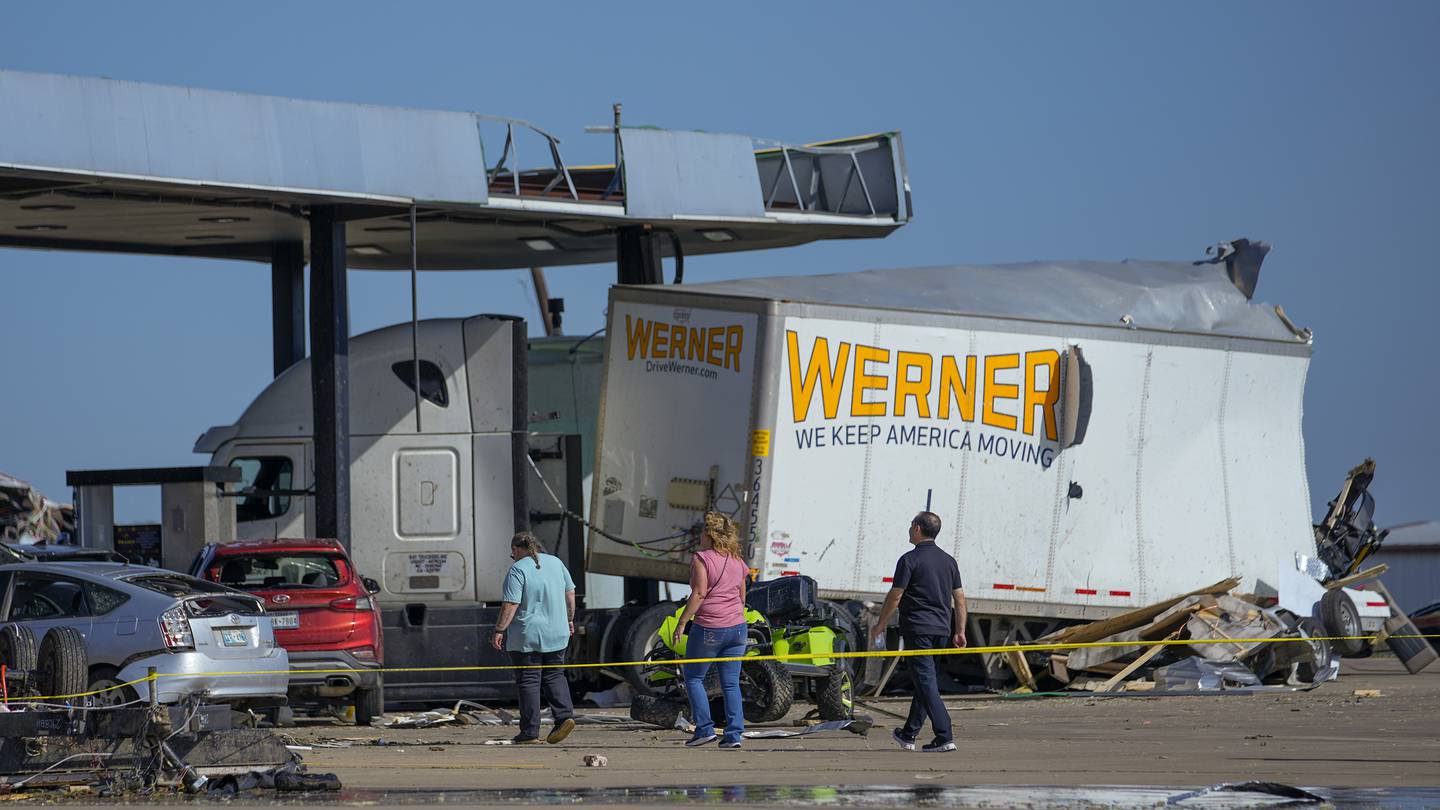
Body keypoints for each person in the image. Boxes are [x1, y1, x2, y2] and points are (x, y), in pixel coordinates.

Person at [869, 511, 967, 753]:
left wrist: (881, 623)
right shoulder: (949, 561)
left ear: (917, 529)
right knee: (926, 681)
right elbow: (960, 599)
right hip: (941, 629)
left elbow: (896, 595)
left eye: (910, 525)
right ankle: (908, 734)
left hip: (918, 628)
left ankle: (944, 735)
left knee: (925, 681)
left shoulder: (909, 560)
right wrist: (960, 630)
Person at [491, 532, 577, 745]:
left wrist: (499, 630)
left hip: (527, 636)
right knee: (555, 675)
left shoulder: (517, 569)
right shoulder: (556, 563)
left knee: (529, 681)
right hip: (558, 631)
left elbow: (511, 604)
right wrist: (569, 620)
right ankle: (564, 717)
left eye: (512, 553)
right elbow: (570, 594)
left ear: (515, 549)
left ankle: (529, 732)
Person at [671, 512, 748, 749]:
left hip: (710, 627)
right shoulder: (737, 560)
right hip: (737, 628)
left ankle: (704, 729)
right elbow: (742, 594)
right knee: (731, 684)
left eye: (701, 534)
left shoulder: (702, 559)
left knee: (693, 678)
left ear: (708, 535)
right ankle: (734, 735)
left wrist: (683, 621)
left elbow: (700, 593)